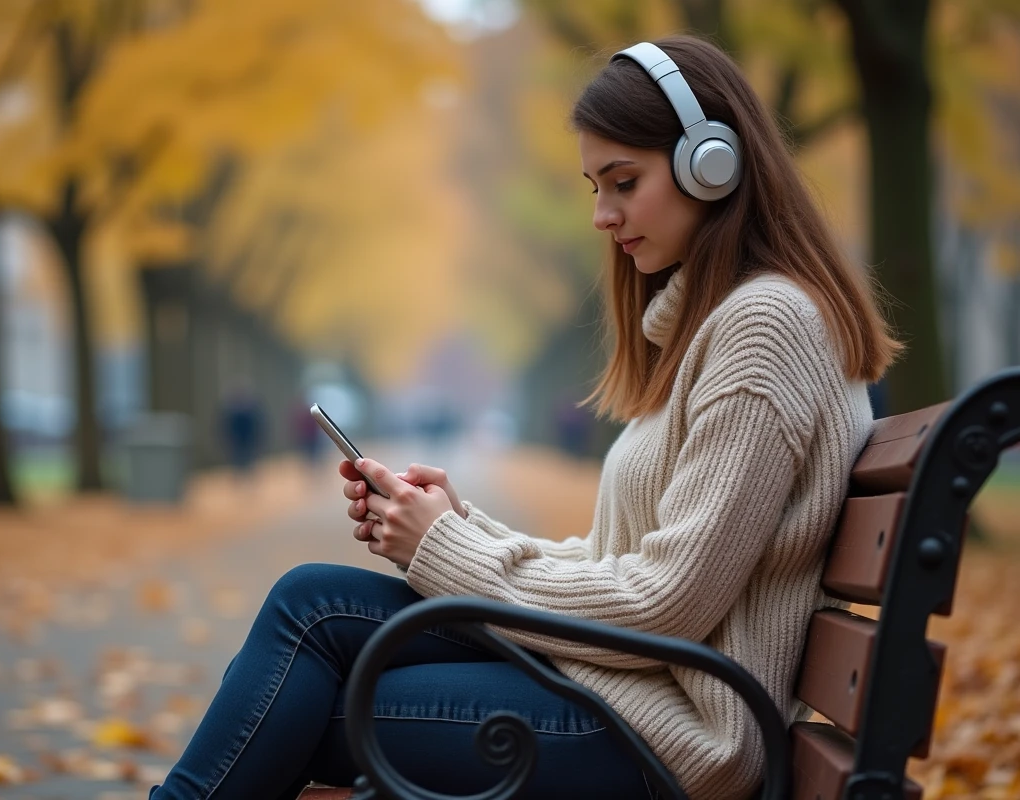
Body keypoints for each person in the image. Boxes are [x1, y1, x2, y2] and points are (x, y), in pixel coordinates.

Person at [149, 35, 901, 800]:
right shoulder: (726, 327)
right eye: (593, 187)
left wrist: (446, 552)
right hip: (630, 689)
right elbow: (627, 565)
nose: (603, 215)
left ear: (713, 163)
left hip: (677, 740)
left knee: (310, 701)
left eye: (624, 182)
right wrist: (455, 528)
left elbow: (666, 603)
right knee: (310, 602)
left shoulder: (763, 327)